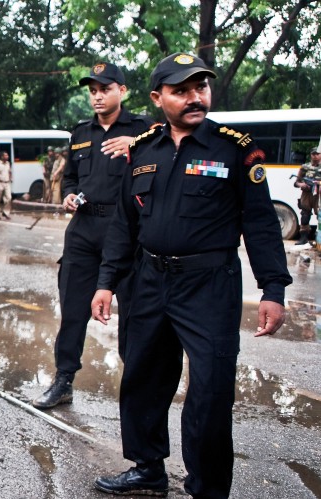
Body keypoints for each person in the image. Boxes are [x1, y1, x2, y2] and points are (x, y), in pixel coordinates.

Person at [90, 53, 291, 498]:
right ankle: (148, 468)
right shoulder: (143, 150)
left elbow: (259, 223)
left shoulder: (236, 148)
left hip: (209, 285)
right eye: (182, 90)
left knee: (211, 390)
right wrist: (106, 282)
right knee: (143, 377)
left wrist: (272, 289)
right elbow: (125, 224)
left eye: (201, 87)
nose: (195, 97)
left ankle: (207, 487)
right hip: (149, 280)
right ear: (158, 97)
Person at [32, 62, 154, 410]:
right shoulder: (81, 132)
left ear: (122, 91)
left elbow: (167, 151)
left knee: (132, 313)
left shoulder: (143, 127)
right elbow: (71, 177)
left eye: (105, 89)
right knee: (72, 309)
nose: (98, 96)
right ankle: (64, 380)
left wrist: (136, 142)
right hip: (84, 229)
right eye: (93, 91)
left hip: (127, 230)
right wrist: (69, 194)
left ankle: (136, 388)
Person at [293, 147, 321, 245]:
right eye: (314, 154)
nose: (316, 156)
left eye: (318, 154)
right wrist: (302, 185)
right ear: (311, 155)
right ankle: (303, 238)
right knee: (305, 216)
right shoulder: (305, 167)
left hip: (319, 195)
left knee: (320, 216)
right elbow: (296, 182)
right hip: (307, 194)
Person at [0, 151, 12, 220]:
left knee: (9, 197)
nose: (7, 156)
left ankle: (6, 212)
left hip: (6, 183)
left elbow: (9, 171)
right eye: (5, 155)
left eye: (7, 155)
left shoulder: (8, 163)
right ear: (2, 157)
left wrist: (10, 178)